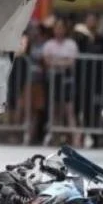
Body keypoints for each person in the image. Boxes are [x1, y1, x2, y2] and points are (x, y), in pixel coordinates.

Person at [42, 18, 82, 147]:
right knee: (55, 110)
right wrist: (61, 61)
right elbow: (47, 62)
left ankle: (75, 139)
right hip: (54, 80)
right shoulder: (49, 44)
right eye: (56, 27)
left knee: (68, 110)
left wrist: (57, 61)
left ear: (65, 29)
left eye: (61, 27)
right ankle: (55, 138)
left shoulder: (71, 44)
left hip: (67, 80)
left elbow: (71, 62)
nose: (59, 30)